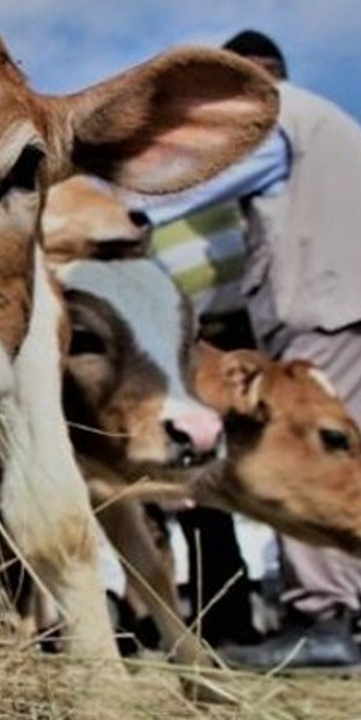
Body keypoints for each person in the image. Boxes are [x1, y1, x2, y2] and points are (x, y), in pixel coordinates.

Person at [131, 29, 361, 672]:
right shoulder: (327, 123)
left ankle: (321, 622)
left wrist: (111, 198)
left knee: (309, 457)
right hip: (339, 303)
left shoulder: (278, 118)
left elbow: (184, 186)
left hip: (324, 304)